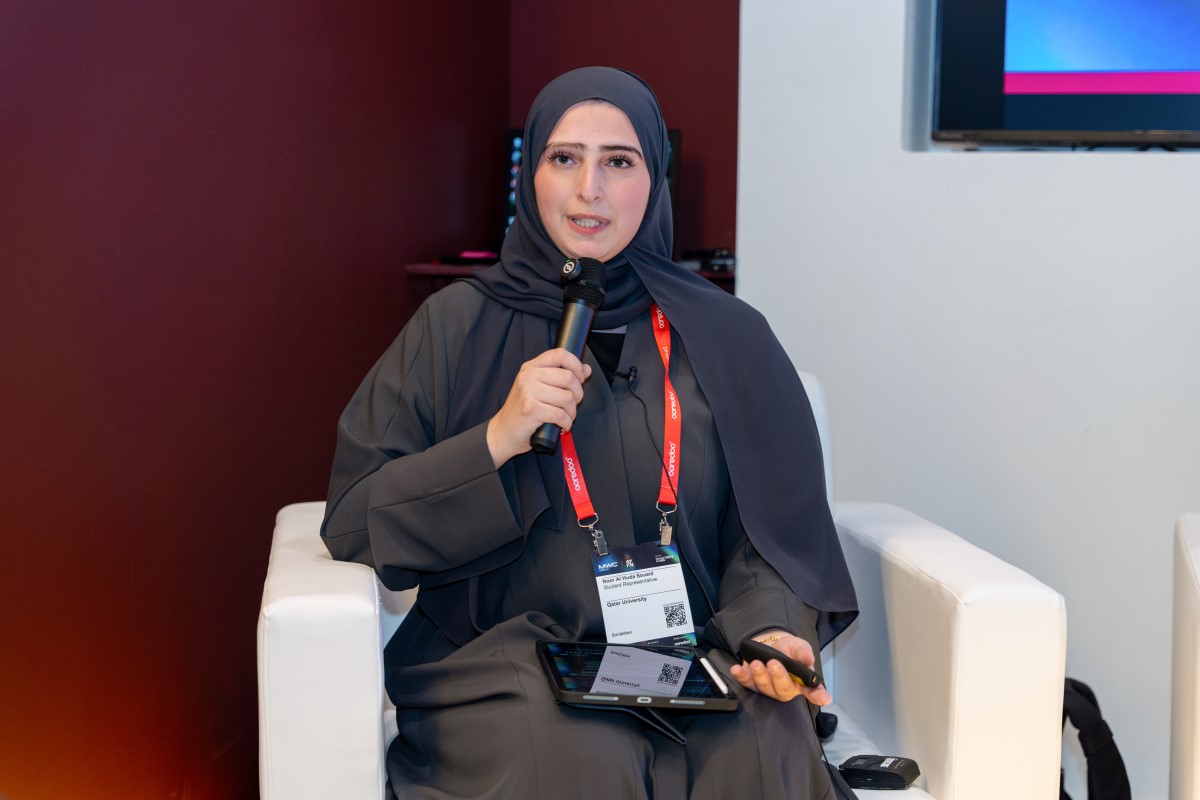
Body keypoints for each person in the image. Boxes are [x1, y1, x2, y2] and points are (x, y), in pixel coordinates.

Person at [321, 66, 858, 799]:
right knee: (576, 760)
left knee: (766, 743)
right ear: (532, 174)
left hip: (692, 656)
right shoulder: (453, 326)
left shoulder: (730, 336)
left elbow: (773, 533)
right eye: (565, 157)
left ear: (654, 180)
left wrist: (770, 631)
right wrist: (497, 438)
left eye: (619, 162)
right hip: (506, 662)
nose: (589, 190)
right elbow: (357, 522)